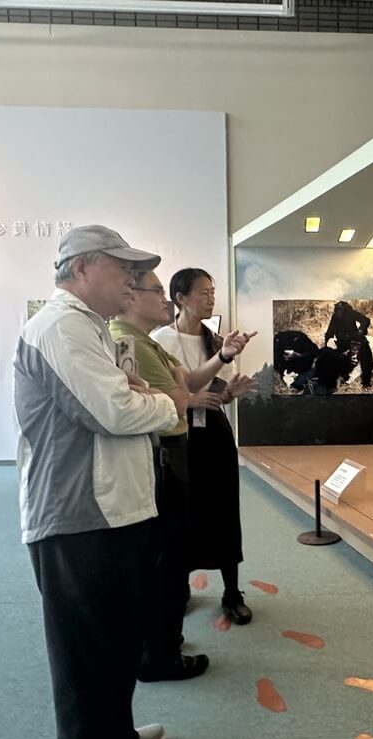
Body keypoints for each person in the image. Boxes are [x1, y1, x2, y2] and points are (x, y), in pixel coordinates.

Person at [14, 225, 179, 739]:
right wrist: (165, 404)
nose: (133, 280)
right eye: (122, 268)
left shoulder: (88, 327)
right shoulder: (61, 327)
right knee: (87, 657)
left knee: (113, 644)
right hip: (79, 518)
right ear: (81, 267)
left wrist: (145, 398)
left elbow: (127, 399)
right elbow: (116, 411)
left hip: (111, 513)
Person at [110, 270, 218, 682]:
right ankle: (160, 654)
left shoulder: (145, 341)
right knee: (166, 562)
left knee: (167, 559)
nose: (164, 301)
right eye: (157, 292)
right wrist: (181, 394)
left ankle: (160, 641)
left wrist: (184, 389)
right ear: (131, 295)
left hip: (168, 457)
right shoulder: (130, 342)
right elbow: (177, 400)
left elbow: (184, 385)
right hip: (162, 460)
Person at [152, 268, 257, 625]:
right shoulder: (160, 341)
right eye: (203, 293)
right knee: (179, 511)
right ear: (180, 298)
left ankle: (232, 592)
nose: (211, 299)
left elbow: (217, 396)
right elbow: (163, 392)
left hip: (214, 434)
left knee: (225, 508)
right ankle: (179, 587)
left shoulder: (217, 341)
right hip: (177, 436)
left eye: (213, 292)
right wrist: (190, 399)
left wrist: (230, 393)